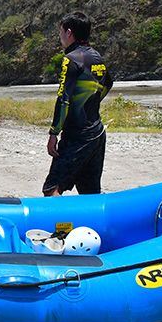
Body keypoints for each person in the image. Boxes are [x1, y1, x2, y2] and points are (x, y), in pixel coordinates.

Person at [42, 12, 113, 196]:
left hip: (77, 136)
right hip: (97, 133)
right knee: (90, 193)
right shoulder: (97, 57)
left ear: (69, 33)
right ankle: (93, 225)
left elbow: (63, 99)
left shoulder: (71, 59)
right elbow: (108, 84)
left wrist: (53, 133)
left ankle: (52, 225)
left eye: (61, 33)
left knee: (52, 190)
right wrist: (91, 103)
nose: (60, 38)